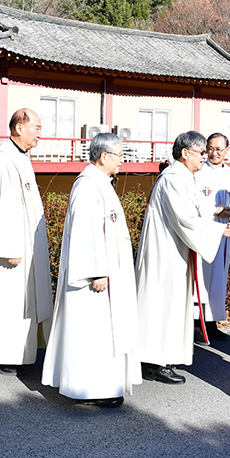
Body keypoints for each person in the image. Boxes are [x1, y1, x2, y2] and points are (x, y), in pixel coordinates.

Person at [41, 133, 141, 407]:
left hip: (108, 273)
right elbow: (86, 232)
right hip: (94, 277)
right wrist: (97, 271)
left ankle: (103, 385)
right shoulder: (87, 186)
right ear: (104, 156)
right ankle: (88, 388)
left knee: (102, 332)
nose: (122, 161)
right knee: (91, 331)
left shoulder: (101, 183)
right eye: (119, 155)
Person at [136, 131, 230, 385]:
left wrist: (216, 216)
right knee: (162, 304)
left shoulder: (184, 177)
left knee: (171, 305)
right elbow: (186, 219)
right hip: (165, 255)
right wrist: (220, 230)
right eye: (201, 152)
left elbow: (195, 210)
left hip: (175, 252)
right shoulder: (172, 179)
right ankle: (153, 362)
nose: (205, 157)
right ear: (185, 153)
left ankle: (164, 358)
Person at [0, 109, 52, 375]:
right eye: (37, 128)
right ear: (19, 128)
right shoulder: (2, 160)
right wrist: (8, 247)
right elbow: (0, 206)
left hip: (27, 246)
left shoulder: (20, 158)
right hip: (11, 251)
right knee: (9, 301)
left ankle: (24, 353)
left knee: (23, 301)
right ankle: (6, 355)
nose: (40, 134)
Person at [193, 132, 230, 343]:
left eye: (219, 149)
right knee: (202, 276)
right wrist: (215, 210)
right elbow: (195, 203)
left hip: (223, 232)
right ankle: (197, 324)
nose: (214, 153)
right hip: (205, 230)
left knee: (218, 278)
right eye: (210, 149)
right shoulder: (199, 171)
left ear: (227, 150)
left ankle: (212, 323)